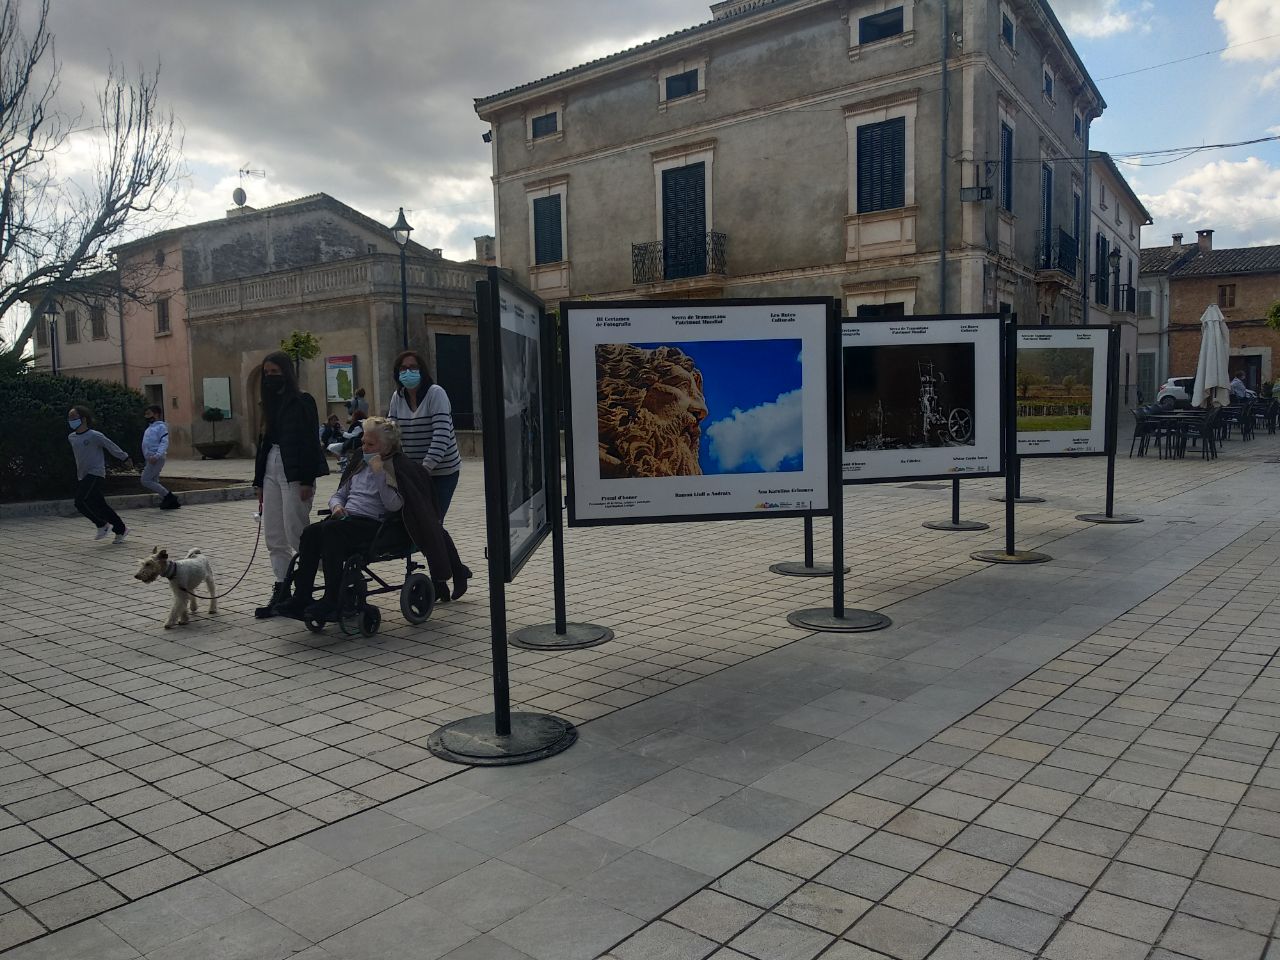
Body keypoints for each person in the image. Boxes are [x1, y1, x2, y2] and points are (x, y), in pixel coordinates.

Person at [274, 417, 469, 619]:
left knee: (331, 533)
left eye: (370, 444)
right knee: (311, 532)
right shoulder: (359, 463)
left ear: (385, 447)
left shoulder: (396, 466)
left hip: (373, 524)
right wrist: (337, 506)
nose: (364, 448)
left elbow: (394, 504)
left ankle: (332, 600)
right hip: (347, 519)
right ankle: (301, 596)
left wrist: (379, 473)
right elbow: (339, 494)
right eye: (363, 442)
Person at [253, 351, 329, 619]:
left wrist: (307, 480)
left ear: (286, 372)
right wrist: (259, 481)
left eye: (275, 372)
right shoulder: (268, 404)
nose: (270, 377)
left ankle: (334, 572)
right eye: (267, 373)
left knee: (296, 531)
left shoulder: (302, 401)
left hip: (295, 471)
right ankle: (283, 587)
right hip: (272, 467)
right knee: (274, 534)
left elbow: (309, 442)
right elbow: (263, 444)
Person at [387, 350, 462, 518]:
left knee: (434, 519)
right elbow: (391, 432)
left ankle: (438, 544)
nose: (408, 372)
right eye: (403, 368)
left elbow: (441, 435)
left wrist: (425, 468)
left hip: (443, 471)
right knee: (415, 519)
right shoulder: (397, 397)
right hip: (414, 470)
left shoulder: (435, 394)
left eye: (413, 367)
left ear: (422, 370)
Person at [68, 405, 132, 543]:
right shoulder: (71, 437)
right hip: (83, 475)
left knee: (79, 501)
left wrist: (125, 457)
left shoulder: (94, 435)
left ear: (83, 419)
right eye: (69, 418)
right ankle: (121, 529)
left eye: (73, 417)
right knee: (100, 505)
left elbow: (110, 446)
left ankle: (102, 525)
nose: (70, 420)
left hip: (96, 473)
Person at [141, 405, 180, 510]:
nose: (146, 416)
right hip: (150, 458)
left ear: (156, 414)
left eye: (149, 413)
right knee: (154, 480)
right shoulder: (149, 428)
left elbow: (164, 442)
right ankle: (168, 500)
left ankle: (169, 496)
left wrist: (157, 455)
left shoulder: (161, 427)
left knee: (145, 480)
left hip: (156, 458)